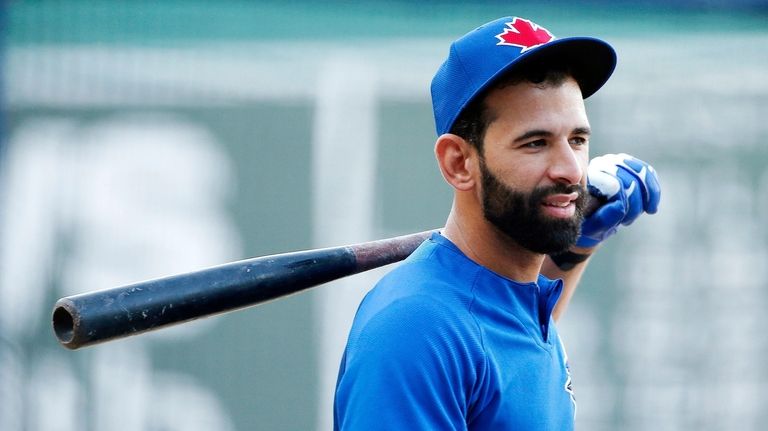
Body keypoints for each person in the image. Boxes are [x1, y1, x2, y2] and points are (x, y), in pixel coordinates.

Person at [334, 16, 661, 430]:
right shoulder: (416, 330)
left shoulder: (513, 299)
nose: (570, 169)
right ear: (459, 163)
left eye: (577, 140)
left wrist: (580, 244)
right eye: (535, 143)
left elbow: (503, 350)